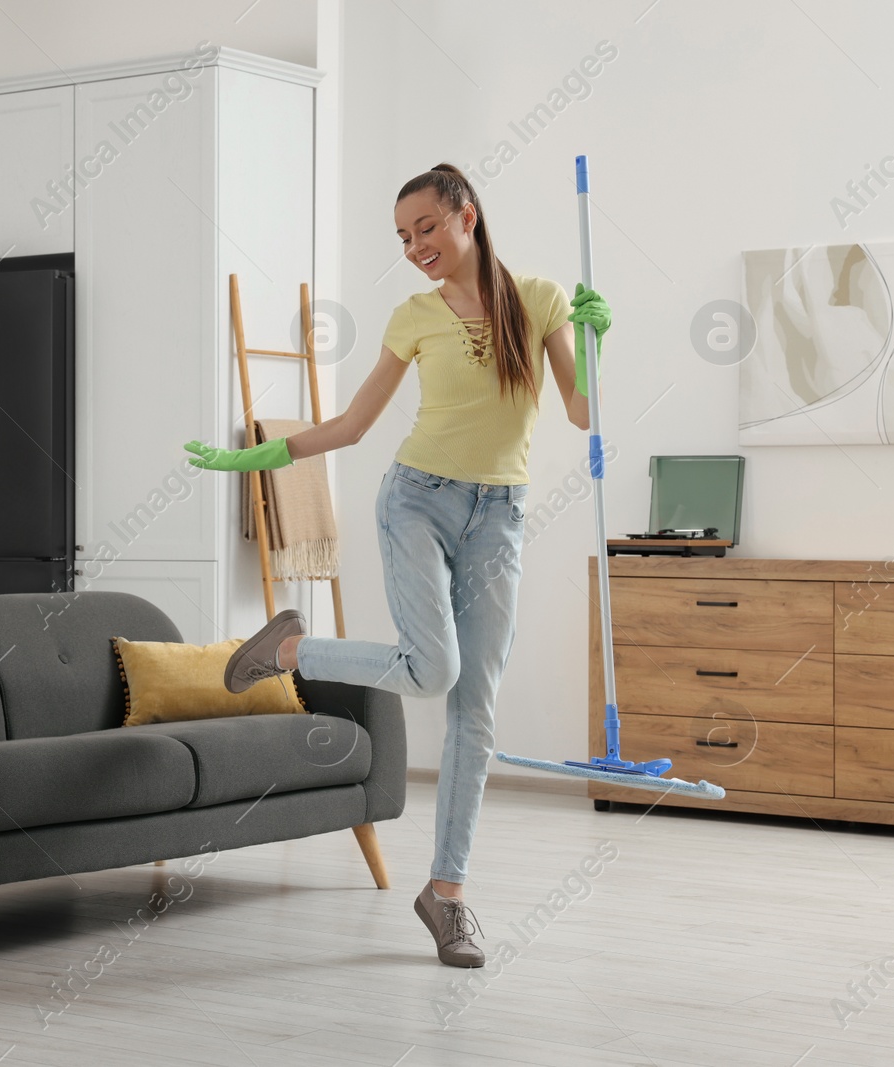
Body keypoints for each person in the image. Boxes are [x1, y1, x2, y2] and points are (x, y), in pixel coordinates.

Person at [183, 162, 610, 968]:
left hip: (502, 515)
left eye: (427, 228)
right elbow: (350, 424)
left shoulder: (541, 299)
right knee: (434, 668)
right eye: (404, 236)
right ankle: (288, 651)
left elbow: (585, 412)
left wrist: (593, 339)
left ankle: (445, 896)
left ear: (467, 216)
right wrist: (261, 455)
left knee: (474, 706)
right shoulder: (414, 314)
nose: (416, 246)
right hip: (417, 499)